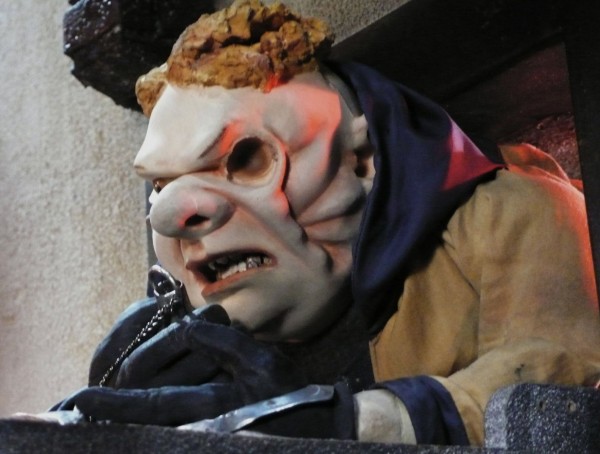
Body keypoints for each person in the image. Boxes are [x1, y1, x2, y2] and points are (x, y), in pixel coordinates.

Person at [52, 0, 600, 446]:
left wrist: (350, 423)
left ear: (362, 161)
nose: (175, 215)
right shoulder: (203, 326)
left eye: (246, 159)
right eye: (161, 186)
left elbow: (553, 382)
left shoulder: (510, 213)